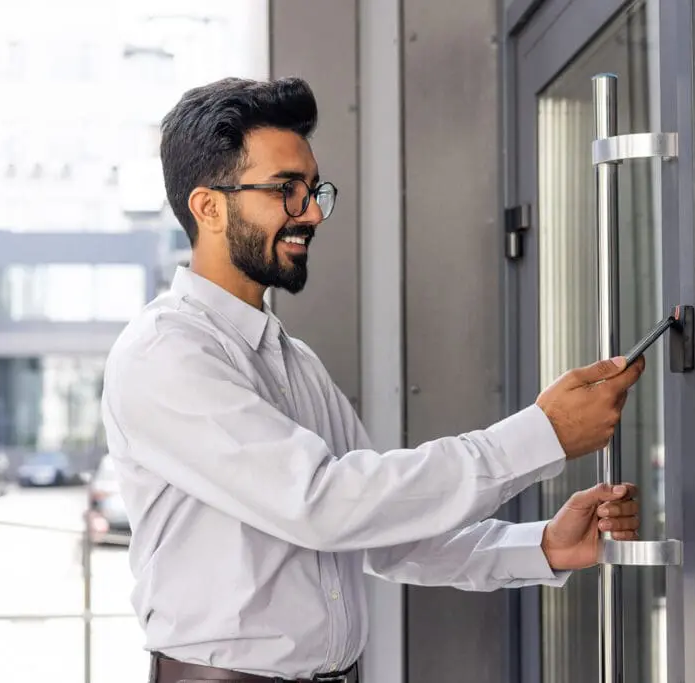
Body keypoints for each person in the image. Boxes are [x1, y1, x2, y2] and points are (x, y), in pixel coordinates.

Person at [100, 76, 646, 683]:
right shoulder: (165, 353)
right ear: (209, 207)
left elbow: (379, 531)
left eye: (313, 190)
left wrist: (543, 546)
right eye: (286, 190)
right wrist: (541, 434)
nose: (311, 213)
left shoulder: (293, 361)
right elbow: (324, 505)